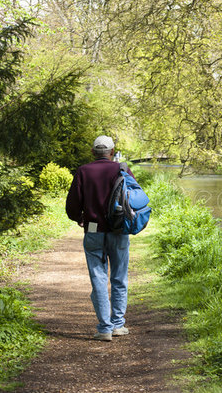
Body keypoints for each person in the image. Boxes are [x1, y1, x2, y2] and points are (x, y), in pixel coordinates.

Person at [65, 135, 134, 341]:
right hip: (118, 230)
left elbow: (73, 204)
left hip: (93, 229)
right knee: (119, 277)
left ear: (93, 153)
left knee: (98, 277)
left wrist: (79, 218)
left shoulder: (83, 171)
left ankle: (104, 328)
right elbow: (135, 196)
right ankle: (118, 325)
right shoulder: (121, 169)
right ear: (112, 152)